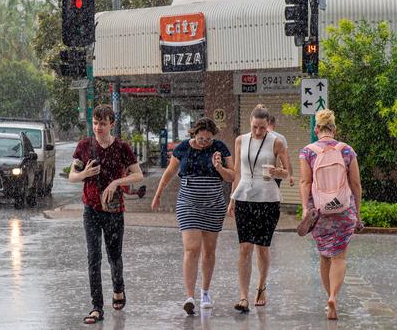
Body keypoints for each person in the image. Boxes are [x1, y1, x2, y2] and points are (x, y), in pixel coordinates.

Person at [68, 104, 144, 325]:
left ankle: (118, 289)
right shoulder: (84, 146)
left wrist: (116, 182)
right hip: (91, 209)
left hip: (113, 211)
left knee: (114, 257)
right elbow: (72, 175)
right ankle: (96, 307)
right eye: (95, 123)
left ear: (112, 124)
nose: (98, 127)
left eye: (102, 123)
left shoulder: (121, 147)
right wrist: (84, 173)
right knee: (93, 257)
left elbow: (137, 175)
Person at [151, 117, 234, 315]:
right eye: (201, 138)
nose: (204, 142)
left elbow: (233, 176)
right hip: (188, 203)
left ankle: (205, 292)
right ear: (194, 134)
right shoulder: (183, 148)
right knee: (192, 248)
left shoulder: (220, 148)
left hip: (213, 204)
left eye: (208, 139)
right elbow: (170, 172)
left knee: (209, 250)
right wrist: (158, 194)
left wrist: (220, 167)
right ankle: (190, 296)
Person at [298, 109, 362, 320]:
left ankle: (329, 298)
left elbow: (306, 182)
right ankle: (334, 296)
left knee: (325, 257)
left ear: (317, 129)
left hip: (320, 211)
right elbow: (355, 184)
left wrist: (306, 210)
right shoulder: (347, 150)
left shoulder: (307, 152)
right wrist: (357, 213)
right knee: (340, 256)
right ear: (334, 129)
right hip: (344, 210)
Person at [227, 104, 290, 313]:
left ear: (267, 125)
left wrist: (276, 171)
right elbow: (237, 172)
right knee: (245, 247)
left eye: (262, 128)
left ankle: (261, 286)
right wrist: (232, 198)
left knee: (262, 248)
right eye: (255, 127)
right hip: (244, 197)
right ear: (250, 123)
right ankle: (243, 296)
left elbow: (287, 173)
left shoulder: (277, 142)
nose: (257, 132)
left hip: (268, 199)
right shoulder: (240, 140)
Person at [267, 115, 295, 188]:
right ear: (274, 124)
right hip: (276, 174)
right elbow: (287, 158)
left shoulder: (258, 136)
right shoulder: (280, 138)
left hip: (260, 174)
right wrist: (291, 175)